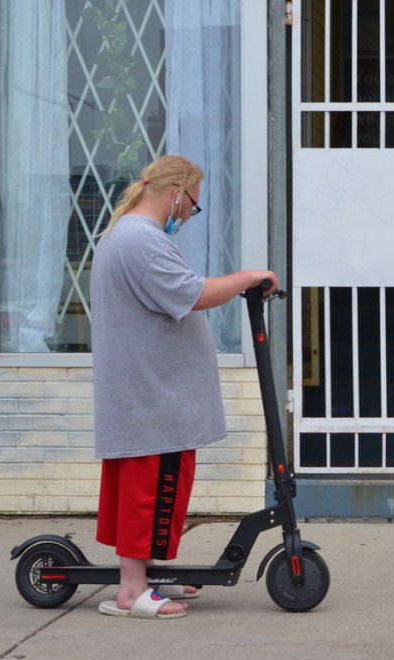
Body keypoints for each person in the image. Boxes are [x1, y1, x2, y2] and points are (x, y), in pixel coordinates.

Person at [90, 155, 277, 620]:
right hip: (154, 398)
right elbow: (192, 294)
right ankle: (132, 592)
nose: (189, 216)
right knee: (150, 491)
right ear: (177, 193)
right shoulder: (140, 239)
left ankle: (142, 577)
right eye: (192, 206)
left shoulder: (127, 234)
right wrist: (249, 278)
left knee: (144, 490)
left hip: (147, 393)